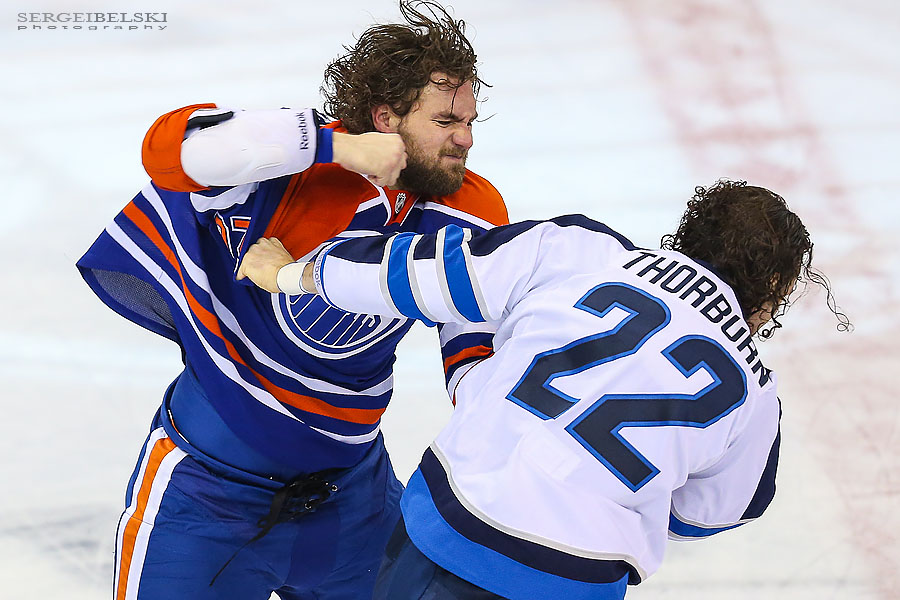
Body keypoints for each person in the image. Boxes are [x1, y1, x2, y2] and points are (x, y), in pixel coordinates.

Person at [76, 2, 508, 599]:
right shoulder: (285, 169)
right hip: (204, 499)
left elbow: (471, 348)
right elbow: (167, 150)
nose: (465, 138)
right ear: (385, 118)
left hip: (352, 501)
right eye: (445, 121)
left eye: (469, 120)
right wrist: (339, 148)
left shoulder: (472, 207)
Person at [237, 180, 850, 599]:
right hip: (574, 578)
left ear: (689, 233)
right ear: (771, 289)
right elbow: (707, 515)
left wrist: (296, 273)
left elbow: (431, 274)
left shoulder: (581, 250)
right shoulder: (756, 398)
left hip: (455, 524)